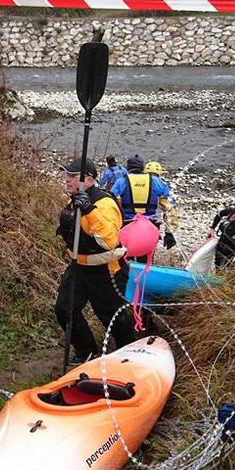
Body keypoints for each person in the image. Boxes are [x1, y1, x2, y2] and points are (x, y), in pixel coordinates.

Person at [54, 158, 139, 366]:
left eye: (72, 176)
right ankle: (87, 352)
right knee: (64, 308)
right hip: (80, 267)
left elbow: (108, 240)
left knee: (112, 316)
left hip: (106, 270)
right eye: (67, 175)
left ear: (89, 179)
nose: (67, 180)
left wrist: (90, 210)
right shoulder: (73, 200)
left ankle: (129, 355)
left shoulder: (105, 203)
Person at [110, 155, 177, 248]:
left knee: (125, 254)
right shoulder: (157, 182)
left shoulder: (122, 181)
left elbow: (110, 200)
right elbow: (169, 207)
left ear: (128, 168)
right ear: (142, 168)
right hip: (150, 226)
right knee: (147, 254)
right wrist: (169, 233)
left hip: (127, 225)